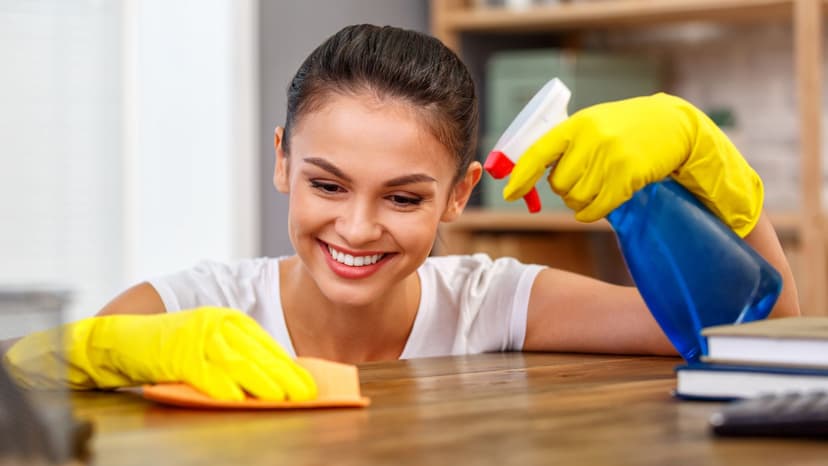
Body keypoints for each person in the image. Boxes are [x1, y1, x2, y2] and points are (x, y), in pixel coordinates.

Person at [2, 24, 800, 402]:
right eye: (326, 184)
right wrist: (109, 347)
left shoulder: (491, 300)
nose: (356, 228)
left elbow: (760, 341)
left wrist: (710, 164)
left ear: (459, 196)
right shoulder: (195, 307)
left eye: (405, 197)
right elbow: (22, 390)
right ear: (282, 160)